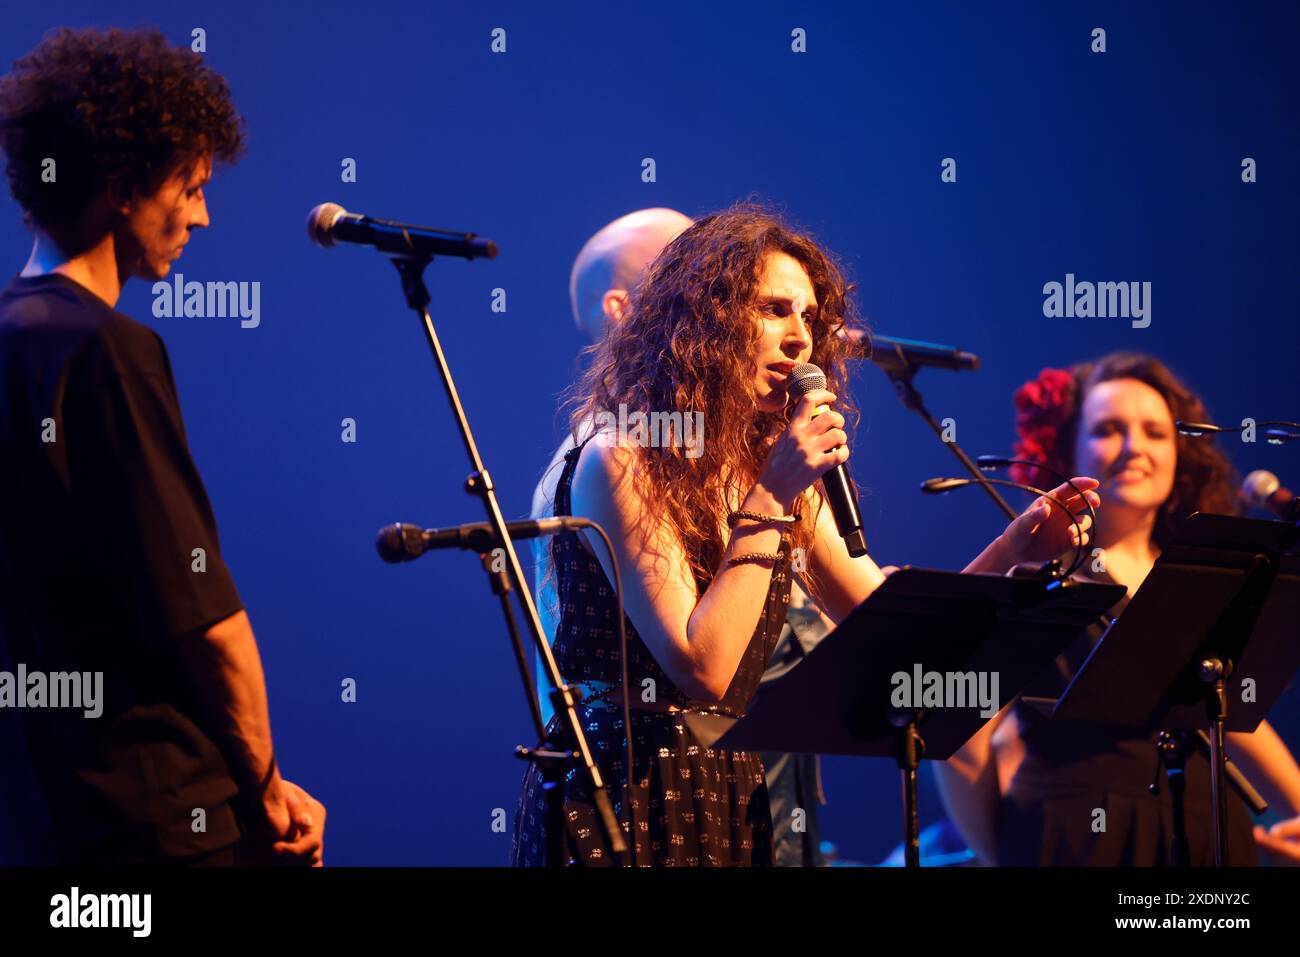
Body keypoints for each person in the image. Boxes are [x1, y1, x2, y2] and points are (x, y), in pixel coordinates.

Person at [510, 203, 1099, 866]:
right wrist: (773, 493)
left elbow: (889, 626)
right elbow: (701, 666)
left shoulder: (771, 469)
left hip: (731, 787)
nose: (800, 338)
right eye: (773, 309)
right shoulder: (623, 457)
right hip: (628, 794)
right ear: (701, 318)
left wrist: (1014, 550)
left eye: (809, 316)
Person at [0, 27, 324, 866]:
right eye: (191, 186)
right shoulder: (112, 350)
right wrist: (265, 788)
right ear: (122, 186)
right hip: (159, 815)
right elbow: (205, 622)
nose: (203, 216)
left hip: (41, 812)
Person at [936, 352, 1300, 865]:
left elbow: (1233, 709)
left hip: (1208, 830)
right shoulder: (1040, 577)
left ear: (1180, 453)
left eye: (1154, 432)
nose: (1134, 447)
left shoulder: (1211, 577)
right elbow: (961, 728)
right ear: (1071, 450)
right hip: (1077, 836)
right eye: (1108, 429)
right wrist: (1001, 850)